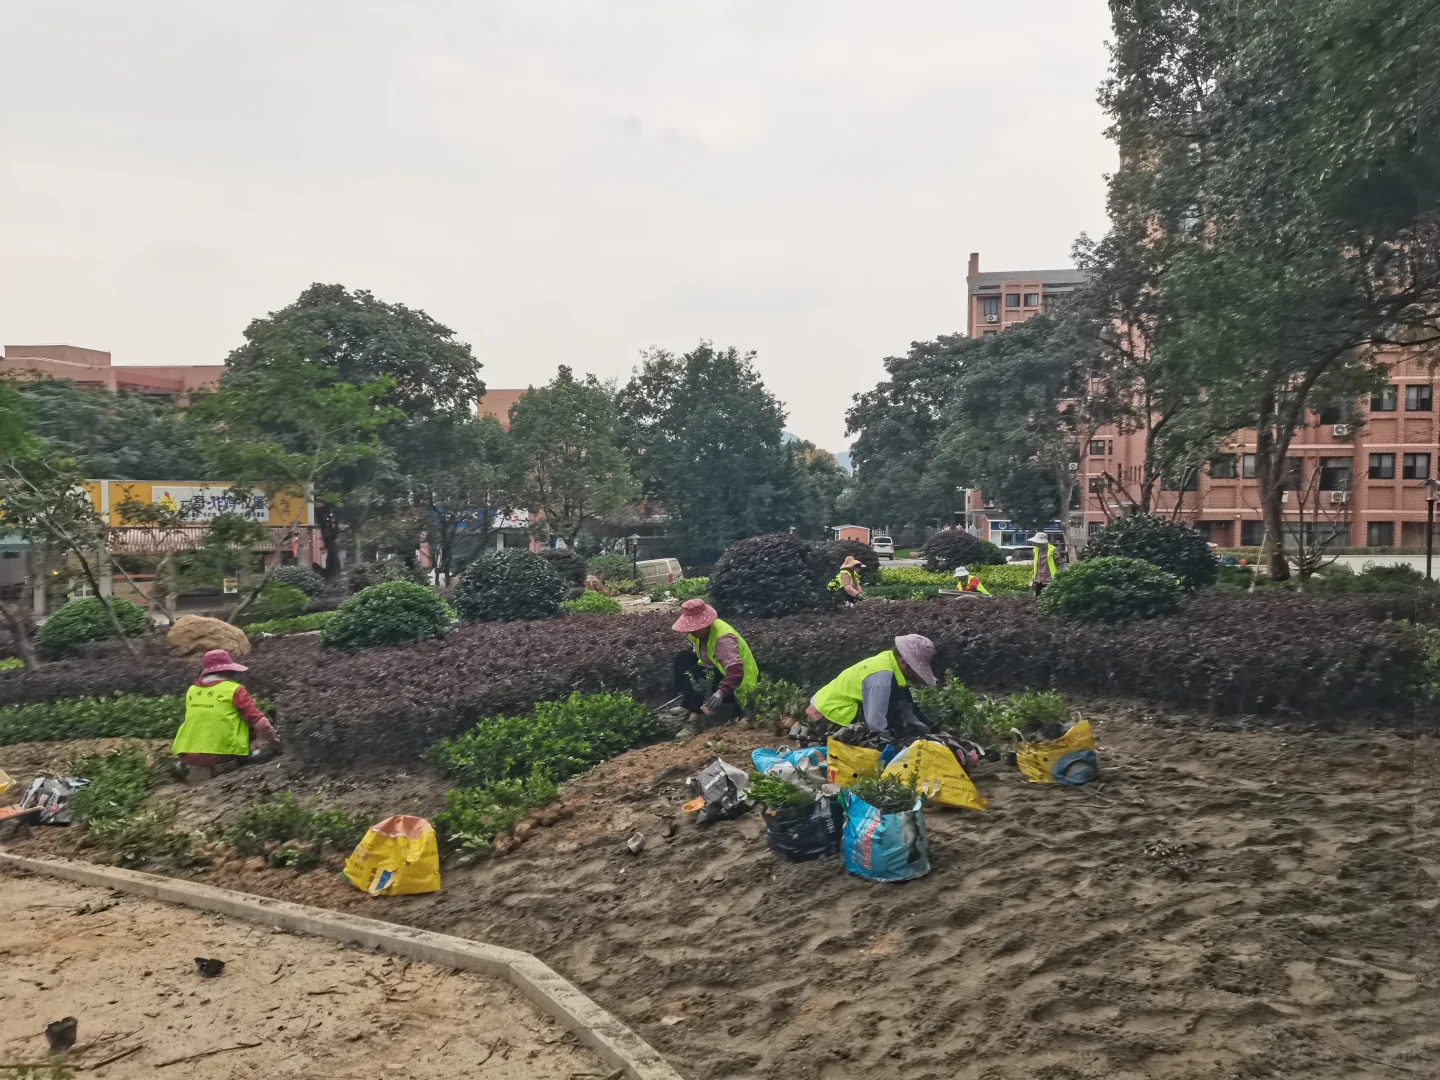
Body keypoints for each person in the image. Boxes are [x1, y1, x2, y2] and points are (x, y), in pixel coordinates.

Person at [172, 649, 281, 782]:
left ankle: (184, 767)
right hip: (217, 754)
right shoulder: (235, 690)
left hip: (185, 753)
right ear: (228, 671)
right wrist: (275, 742)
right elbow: (260, 723)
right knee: (252, 725)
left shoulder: (192, 690)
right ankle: (245, 758)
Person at [806, 634, 937, 744]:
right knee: (878, 738)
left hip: (826, 707)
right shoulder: (882, 677)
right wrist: (891, 747)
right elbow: (875, 723)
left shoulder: (889, 661)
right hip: (829, 715)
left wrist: (934, 732)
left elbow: (908, 707)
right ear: (903, 662)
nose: (917, 674)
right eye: (916, 669)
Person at [671, 599, 758, 727]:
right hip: (718, 669)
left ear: (704, 624)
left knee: (697, 672)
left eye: (693, 627)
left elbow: (736, 671)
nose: (690, 631)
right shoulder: (700, 634)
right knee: (683, 659)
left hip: (738, 682)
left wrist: (720, 693)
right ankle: (688, 704)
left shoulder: (723, 640)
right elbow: (703, 655)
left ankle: (695, 718)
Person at [1029, 531, 1059, 597]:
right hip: (1038, 579)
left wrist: (1059, 577)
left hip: (1049, 579)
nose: (1035, 544)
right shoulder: (1036, 550)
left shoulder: (1053, 550)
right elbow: (1037, 565)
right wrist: (1033, 576)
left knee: (1048, 597)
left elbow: (1060, 564)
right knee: (1038, 597)